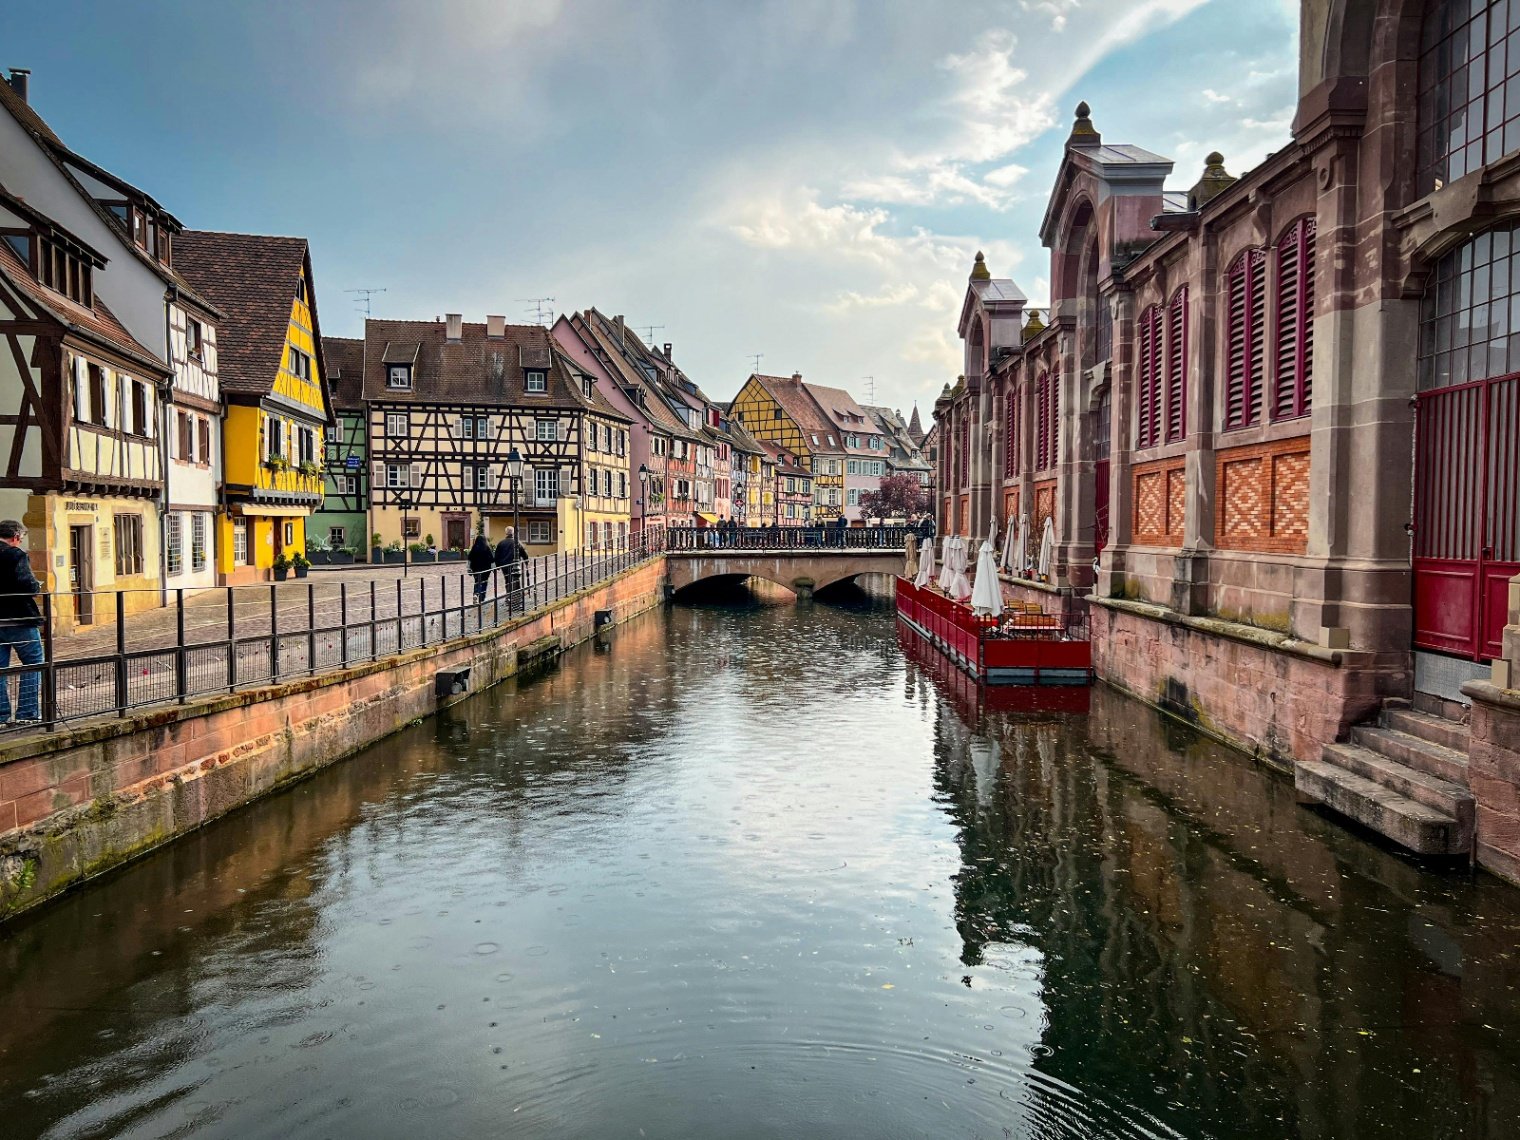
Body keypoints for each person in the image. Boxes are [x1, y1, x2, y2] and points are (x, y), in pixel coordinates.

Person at [0, 519, 44, 724]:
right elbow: (28, 585)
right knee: (33, 663)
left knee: (1, 668)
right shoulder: (15, 555)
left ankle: (1, 715)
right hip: (19, 619)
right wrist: (37, 586)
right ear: (16, 537)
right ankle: (27, 714)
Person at [494, 526, 529, 614]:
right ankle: (515, 598)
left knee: (507, 581)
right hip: (514, 565)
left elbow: (497, 555)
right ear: (513, 533)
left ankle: (509, 597)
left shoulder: (501, 543)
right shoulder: (517, 542)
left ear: (506, 533)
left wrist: (498, 565)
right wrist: (526, 561)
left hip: (504, 566)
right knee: (515, 581)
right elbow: (524, 553)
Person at [467, 532, 495, 604]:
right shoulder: (487, 548)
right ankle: (482, 598)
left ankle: (476, 594)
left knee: (477, 582)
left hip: (475, 569)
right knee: (484, 582)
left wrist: (469, 569)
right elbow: (491, 559)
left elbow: (469, 559)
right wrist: (493, 569)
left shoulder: (474, 548)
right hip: (486, 570)